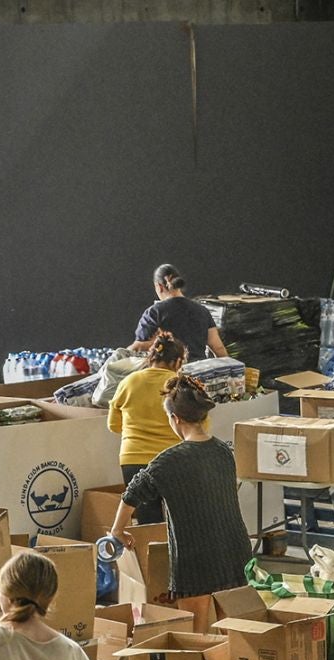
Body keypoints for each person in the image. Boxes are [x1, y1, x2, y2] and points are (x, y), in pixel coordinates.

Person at [106, 375, 252, 632]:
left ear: (176, 419)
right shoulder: (223, 452)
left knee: (197, 636)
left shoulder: (167, 461)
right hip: (235, 549)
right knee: (237, 636)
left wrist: (117, 531)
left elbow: (131, 494)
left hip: (195, 556)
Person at [108, 333, 188, 526]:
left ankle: (149, 556)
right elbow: (197, 426)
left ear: (152, 356)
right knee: (179, 522)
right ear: (177, 361)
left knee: (148, 524)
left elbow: (113, 425)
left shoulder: (128, 382)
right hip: (173, 459)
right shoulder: (180, 385)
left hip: (133, 460)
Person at [132, 264, 227, 361]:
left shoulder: (154, 313)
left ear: (159, 287)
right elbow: (218, 348)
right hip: (198, 372)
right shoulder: (202, 311)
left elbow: (138, 348)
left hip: (168, 372)